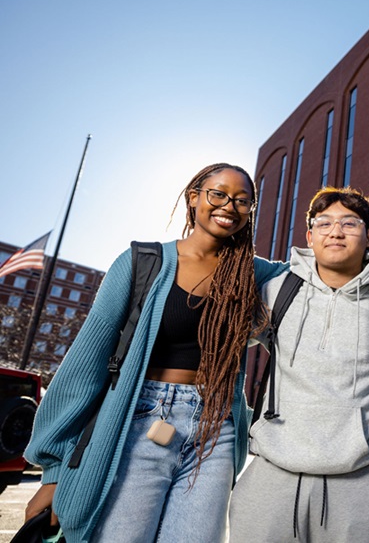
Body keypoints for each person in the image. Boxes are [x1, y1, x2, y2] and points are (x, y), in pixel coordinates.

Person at [24, 163, 287, 542]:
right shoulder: (141, 262)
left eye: (243, 201)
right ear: (194, 197)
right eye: (218, 194)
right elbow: (85, 366)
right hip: (141, 418)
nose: (229, 206)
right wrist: (53, 470)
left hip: (216, 428)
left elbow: (316, 275)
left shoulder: (253, 273)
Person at [228, 186, 369, 542]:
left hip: (359, 484)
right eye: (324, 223)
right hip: (270, 477)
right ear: (309, 236)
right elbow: (220, 329)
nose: (335, 231)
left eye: (350, 223)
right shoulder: (277, 290)